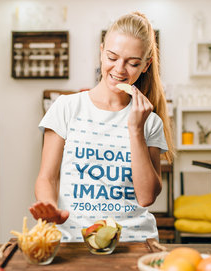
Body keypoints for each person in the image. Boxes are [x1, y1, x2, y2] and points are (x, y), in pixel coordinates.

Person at [30, 11, 174, 242]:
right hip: (75, 241)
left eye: (133, 63)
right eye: (112, 57)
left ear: (146, 65)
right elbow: (47, 178)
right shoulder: (66, 107)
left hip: (134, 242)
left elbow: (147, 197)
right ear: (101, 52)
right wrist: (50, 209)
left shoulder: (149, 121)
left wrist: (136, 130)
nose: (119, 69)